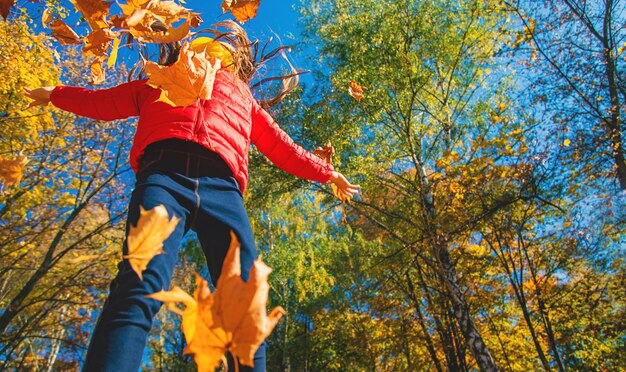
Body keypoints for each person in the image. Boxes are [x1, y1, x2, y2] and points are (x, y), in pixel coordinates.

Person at [24, 21, 359, 372]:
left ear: (235, 61)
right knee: (139, 281)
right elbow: (105, 101)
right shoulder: (161, 79)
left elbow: (281, 146)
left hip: (224, 190)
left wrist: (328, 172)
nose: (212, 49)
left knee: (244, 302)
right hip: (163, 179)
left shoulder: (243, 97)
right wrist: (56, 93)